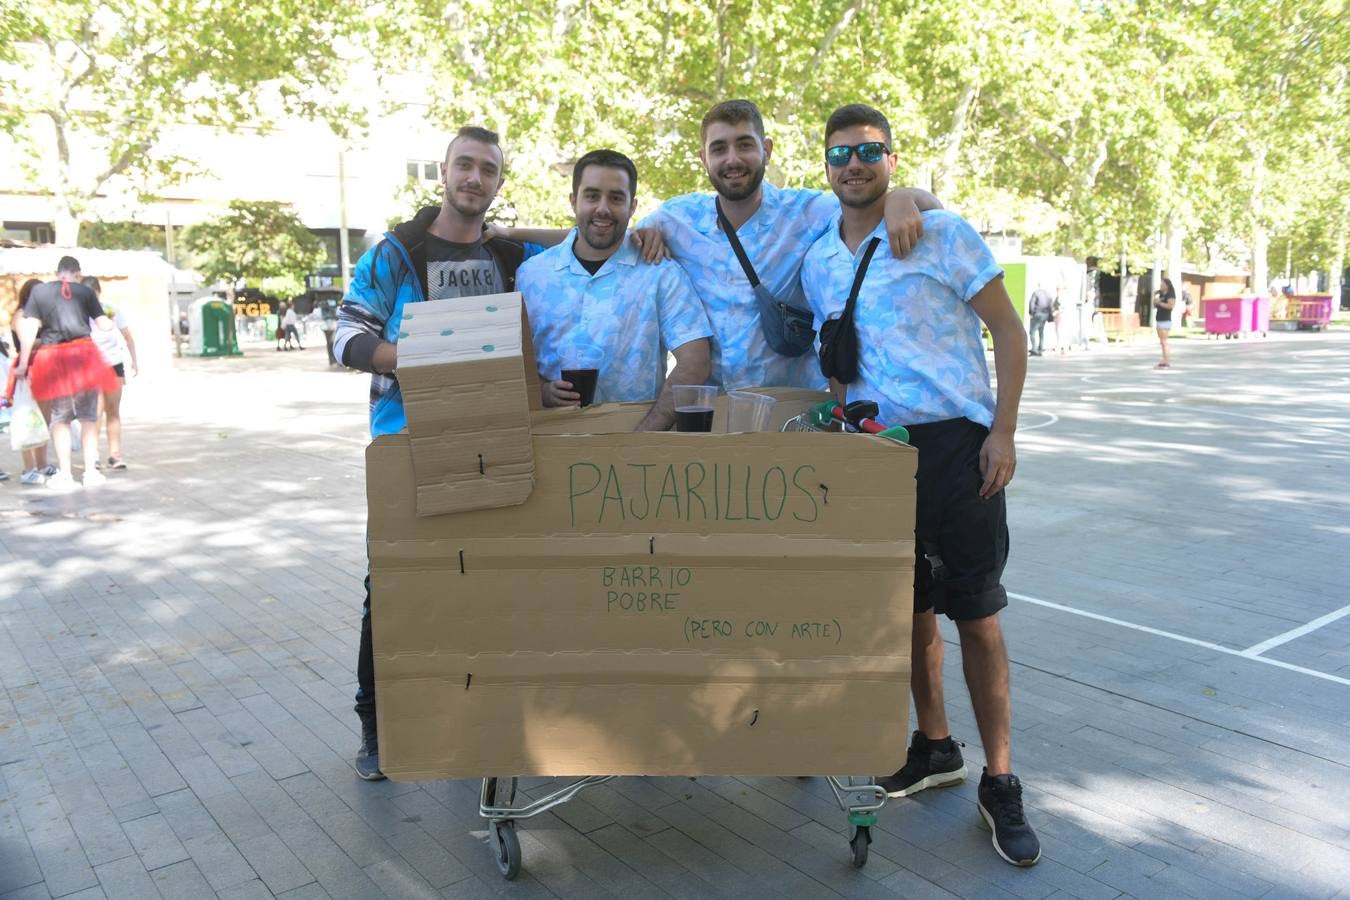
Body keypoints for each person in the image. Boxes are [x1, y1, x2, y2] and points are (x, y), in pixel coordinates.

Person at [800, 104, 1037, 867]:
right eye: (841, 154)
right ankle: (935, 746)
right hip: (874, 451)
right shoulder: (818, 261)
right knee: (906, 612)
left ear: (891, 159)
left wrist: (1001, 430)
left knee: (976, 616)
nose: (854, 164)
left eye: (869, 151)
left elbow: (1006, 329)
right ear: (826, 165)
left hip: (957, 449)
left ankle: (1001, 778)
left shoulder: (942, 233)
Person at [334, 125, 545, 781]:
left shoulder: (508, 257)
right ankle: (375, 726)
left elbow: (577, 237)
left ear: (498, 183)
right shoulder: (394, 254)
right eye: (464, 165)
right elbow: (345, 339)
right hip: (405, 444)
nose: (473, 178)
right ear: (444, 173)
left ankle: (471, 719)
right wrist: (433, 355)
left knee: (480, 583)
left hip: (491, 442)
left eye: (487, 169)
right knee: (390, 587)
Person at [633, 100, 939, 391]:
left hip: (790, 411)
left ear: (766, 150)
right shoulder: (677, 219)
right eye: (719, 148)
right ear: (704, 159)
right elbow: (625, 234)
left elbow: (927, 208)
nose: (732, 159)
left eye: (744, 144)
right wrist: (643, 232)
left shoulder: (806, 212)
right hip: (712, 413)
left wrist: (901, 197)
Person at [520, 150, 713, 428]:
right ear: (573, 201)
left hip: (633, 449)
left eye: (616, 197)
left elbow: (695, 362)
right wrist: (540, 391)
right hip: (548, 446)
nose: (603, 208)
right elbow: (513, 362)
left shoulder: (661, 274)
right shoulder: (531, 275)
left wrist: (646, 435)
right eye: (592, 195)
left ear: (633, 206)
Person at [14, 257, 119, 489]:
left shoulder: (39, 292)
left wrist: (22, 364)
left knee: (60, 418)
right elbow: (105, 325)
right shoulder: (86, 292)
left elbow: (29, 330)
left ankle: (65, 474)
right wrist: (108, 320)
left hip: (53, 359)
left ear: (57, 272)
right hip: (84, 357)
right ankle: (90, 472)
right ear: (78, 273)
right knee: (88, 417)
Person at [81, 276, 137, 470]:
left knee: (113, 410)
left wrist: (134, 361)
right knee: (94, 412)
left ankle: (115, 454)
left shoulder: (111, 310)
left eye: (93, 295)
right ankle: (93, 455)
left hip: (114, 364)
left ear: (98, 293)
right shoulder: (79, 313)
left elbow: (128, 337)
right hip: (90, 366)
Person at [4, 279, 53, 483]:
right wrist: (53, 337)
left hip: (44, 366)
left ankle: (42, 464)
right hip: (28, 369)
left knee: (43, 419)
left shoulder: (42, 315)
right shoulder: (22, 315)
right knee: (28, 419)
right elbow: (28, 343)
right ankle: (28, 468)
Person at [1153, 276, 1177, 368]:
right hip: (1159, 318)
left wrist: (1160, 303)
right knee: (1161, 342)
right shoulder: (1161, 295)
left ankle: (1166, 360)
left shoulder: (1170, 295)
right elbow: (1154, 306)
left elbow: (1170, 306)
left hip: (1166, 320)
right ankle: (1163, 359)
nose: (1161, 286)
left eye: (1162, 284)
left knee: (1164, 341)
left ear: (1167, 285)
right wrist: (1154, 299)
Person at [1026, 285, 1053, 356]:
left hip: (1037, 314)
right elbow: (1050, 305)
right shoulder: (1048, 294)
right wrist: (1050, 316)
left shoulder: (1036, 293)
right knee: (1041, 331)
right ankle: (1041, 348)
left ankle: (1034, 349)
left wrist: (1031, 313)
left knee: (1032, 331)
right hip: (1045, 315)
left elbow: (1032, 303)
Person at [320, 296, 339, 365]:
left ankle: (334, 358)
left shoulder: (333, 304)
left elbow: (335, 315)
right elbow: (324, 316)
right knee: (329, 343)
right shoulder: (323, 305)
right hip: (327, 327)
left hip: (332, 326)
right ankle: (331, 359)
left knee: (333, 342)